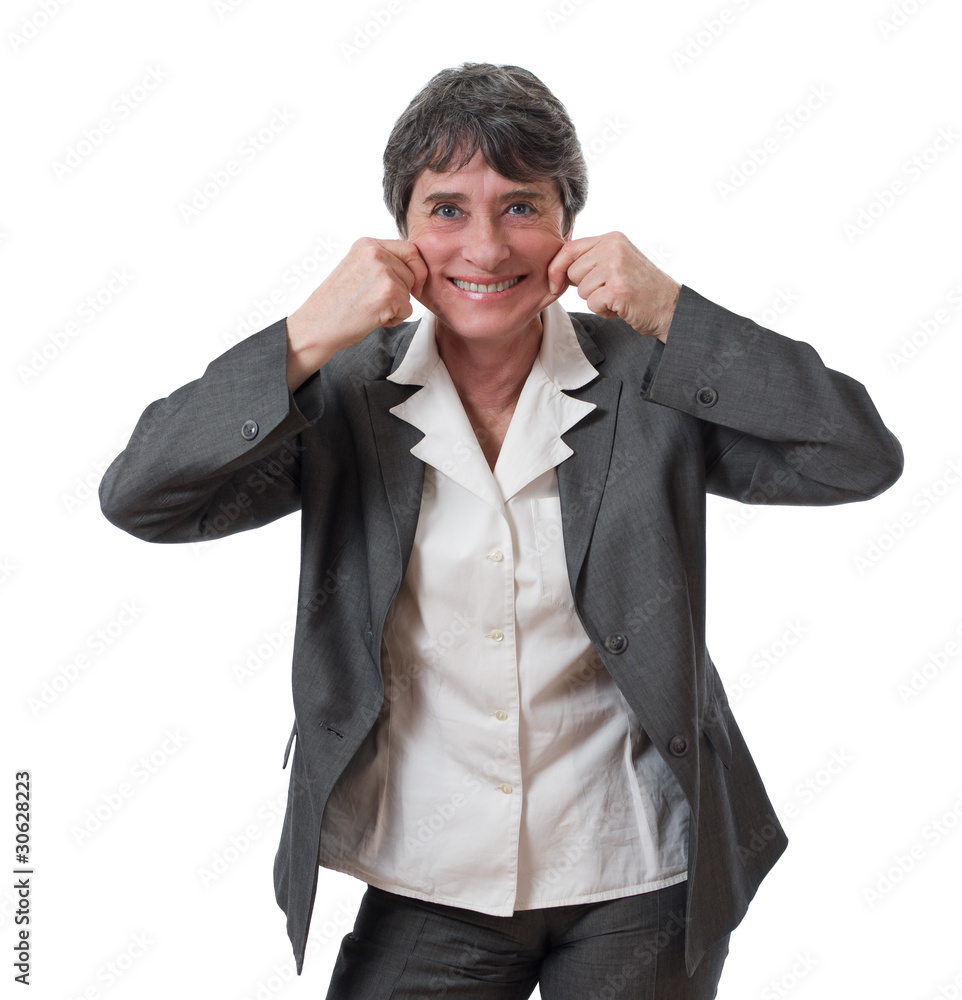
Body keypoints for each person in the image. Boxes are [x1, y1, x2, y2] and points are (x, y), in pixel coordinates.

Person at [100, 63, 903, 999]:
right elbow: (142, 498)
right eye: (447, 209)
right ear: (401, 231)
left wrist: (675, 313)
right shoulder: (343, 392)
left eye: (522, 206)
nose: (484, 247)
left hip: (639, 863)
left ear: (569, 225)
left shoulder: (650, 381)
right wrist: (306, 334)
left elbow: (856, 456)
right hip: (432, 875)